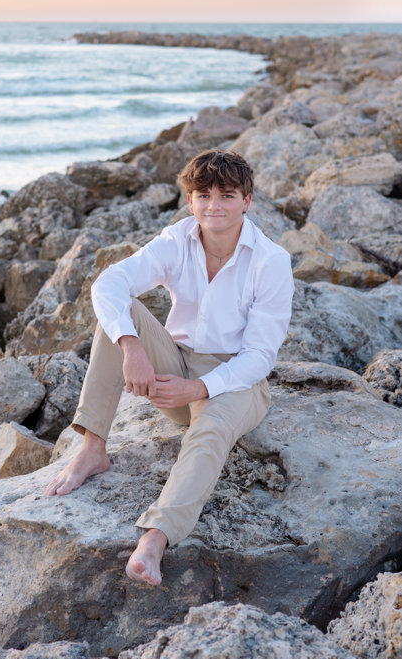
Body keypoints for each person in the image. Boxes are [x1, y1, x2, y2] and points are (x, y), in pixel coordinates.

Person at [46, 149, 294, 586]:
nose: (214, 205)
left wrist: (197, 388)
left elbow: (259, 357)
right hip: (174, 366)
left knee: (210, 431)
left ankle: (155, 539)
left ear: (247, 201)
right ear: (190, 200)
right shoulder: (177, 240)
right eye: (203, 195)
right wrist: (133, 348)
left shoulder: (271, 262)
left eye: (227, 195)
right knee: (119, 312)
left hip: (236, 380)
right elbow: (109, 283)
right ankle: (92, 447)